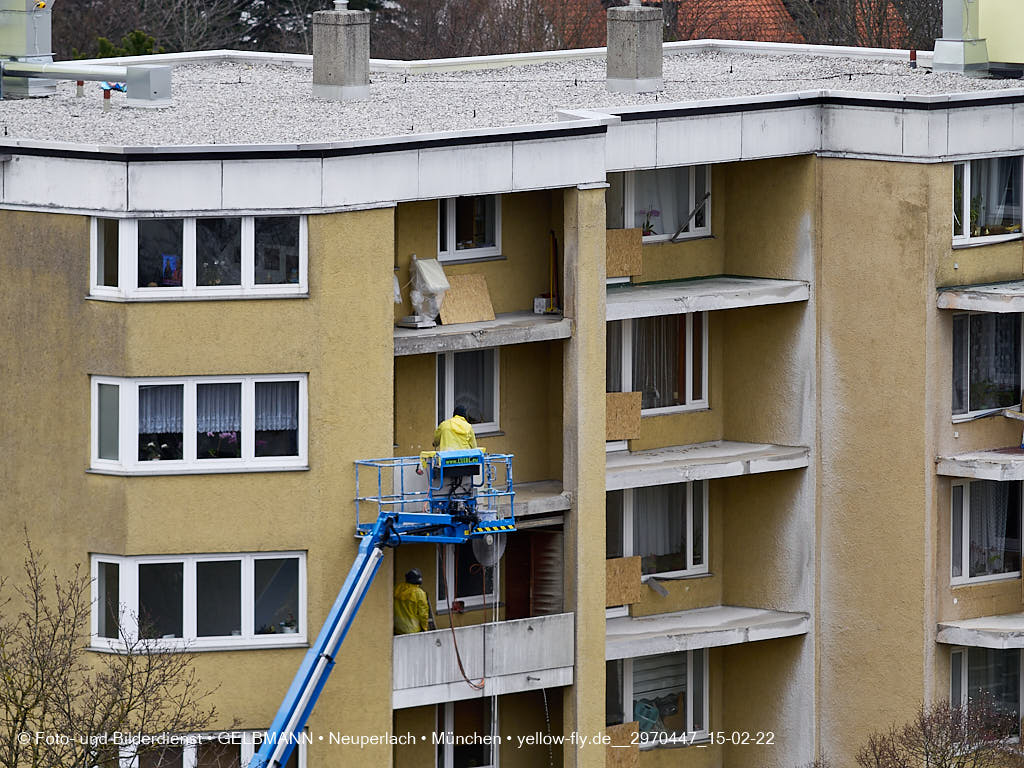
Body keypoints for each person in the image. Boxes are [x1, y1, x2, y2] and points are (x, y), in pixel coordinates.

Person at [394, 568, 433, 634]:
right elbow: (423, 614)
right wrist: (425, 628)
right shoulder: (419, 593)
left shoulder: (397, 588)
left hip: (397, 628)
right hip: (412, 630)